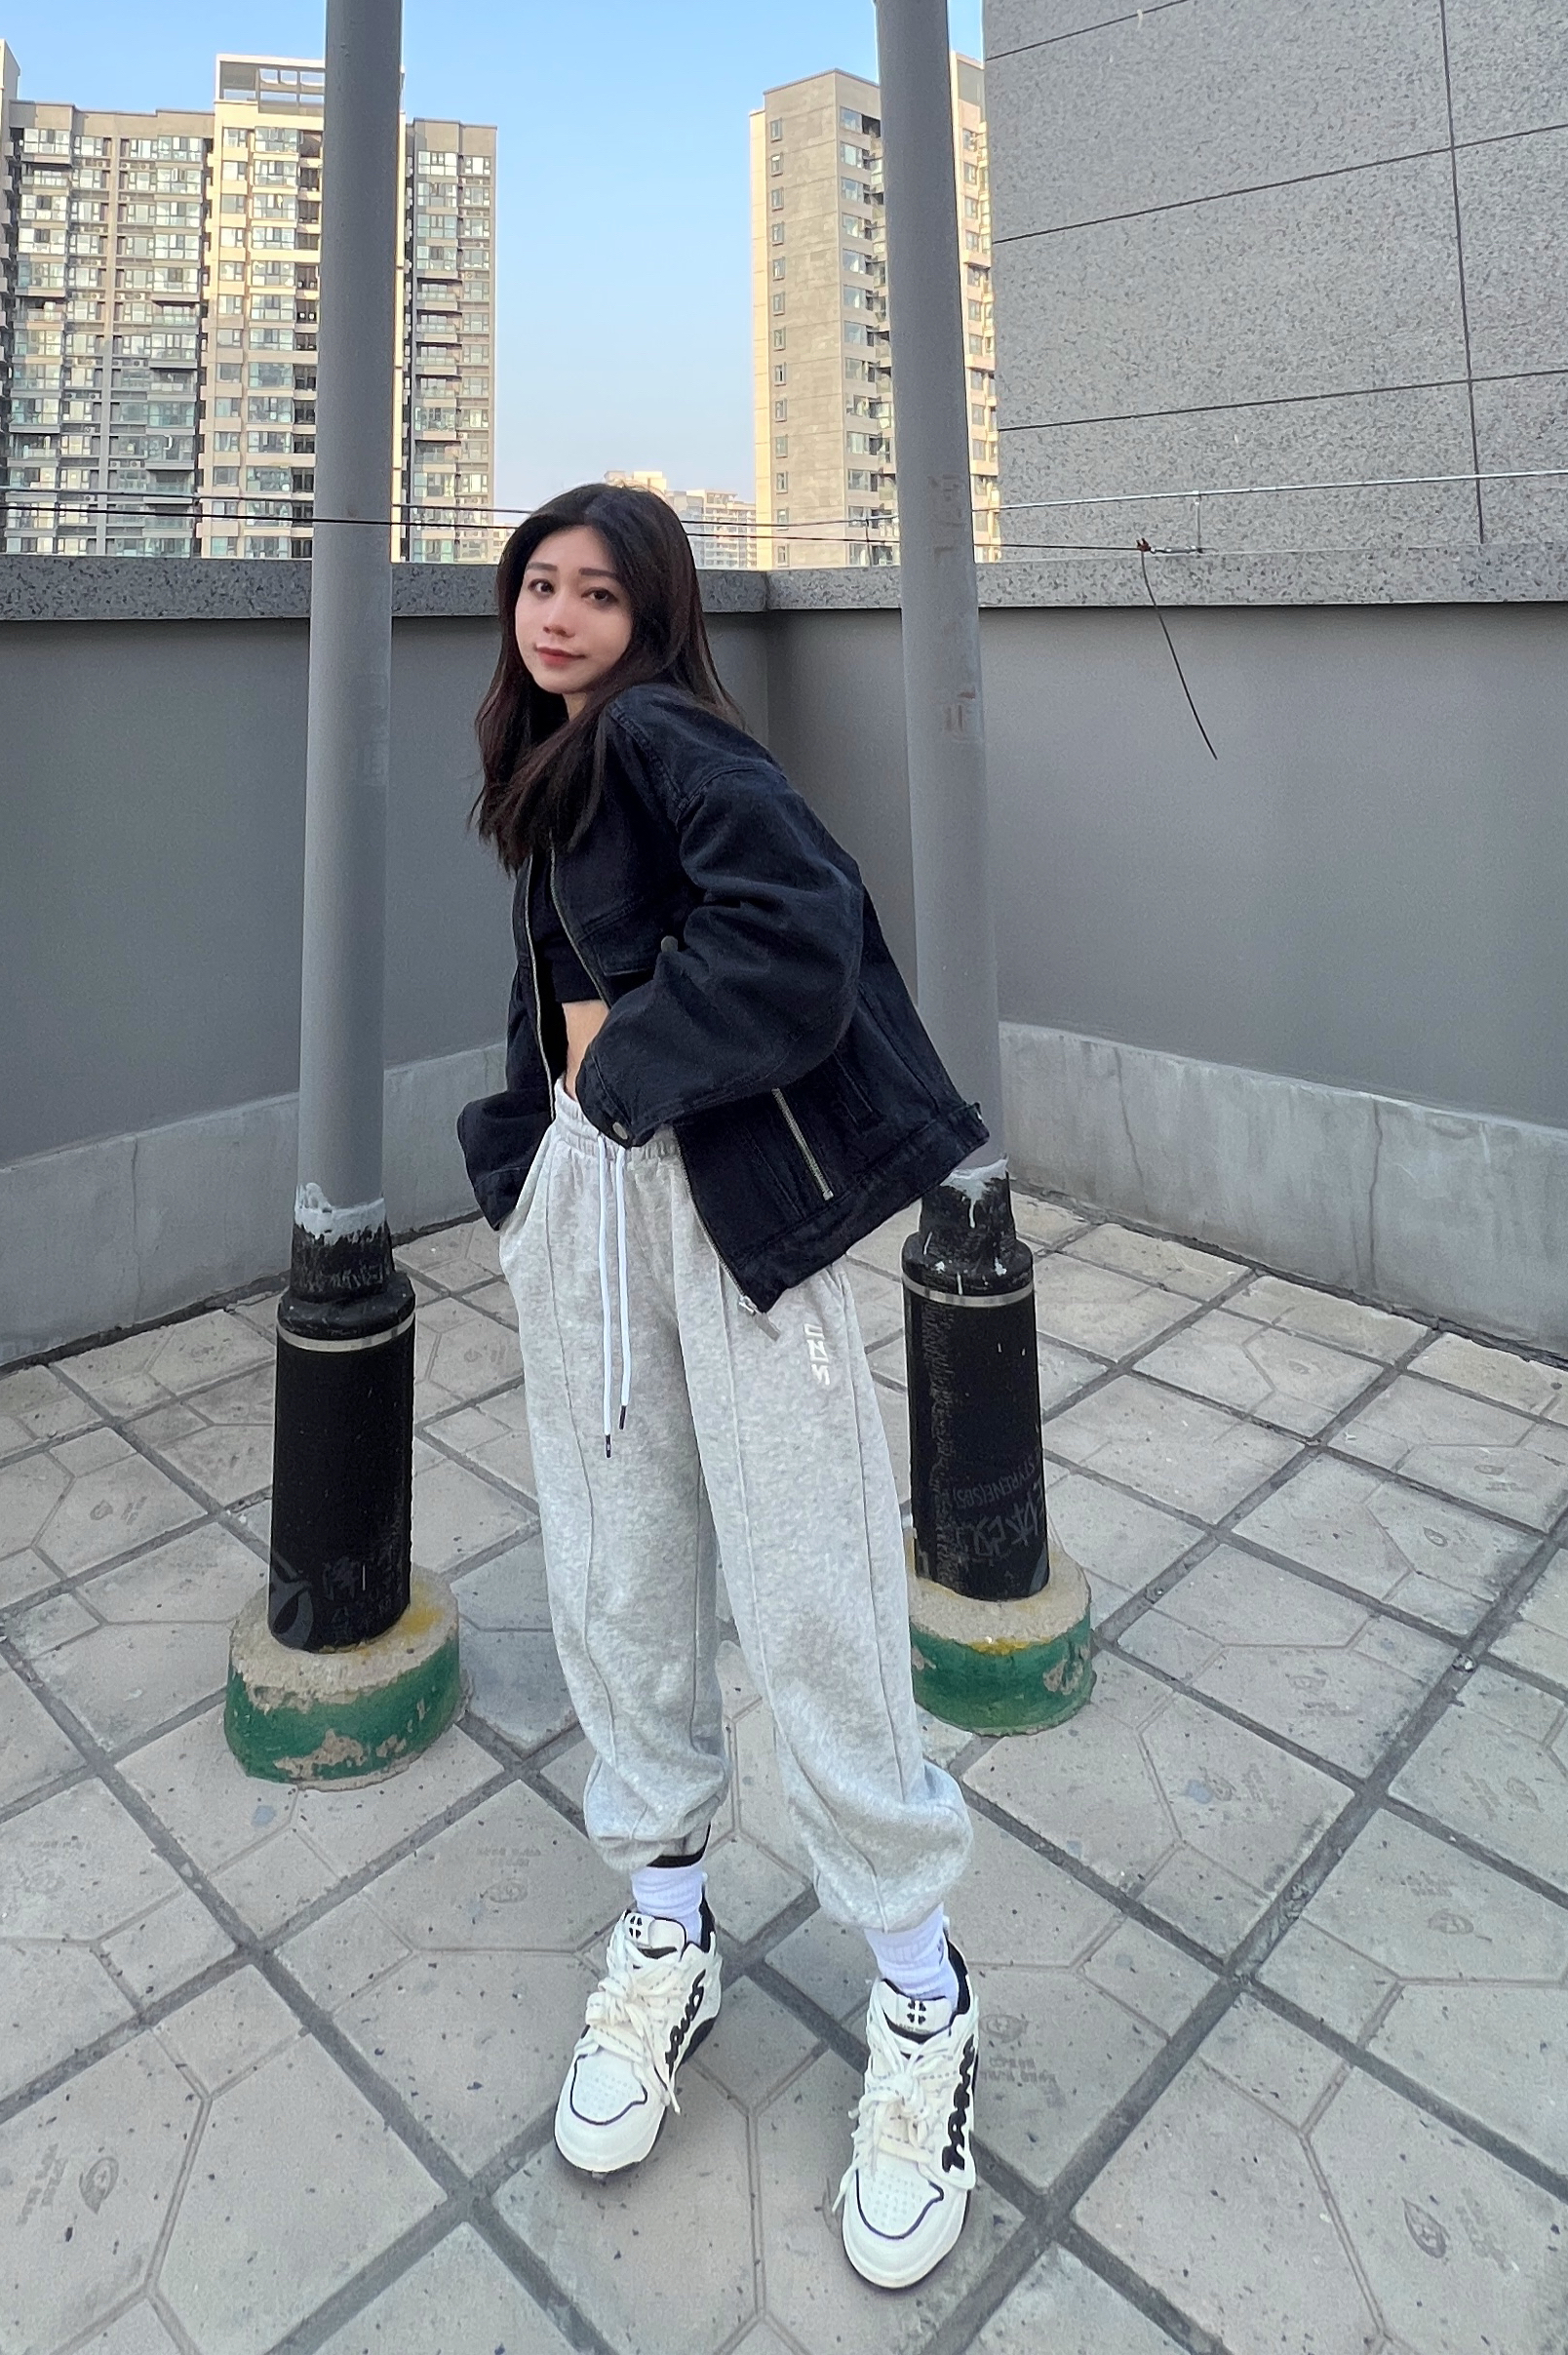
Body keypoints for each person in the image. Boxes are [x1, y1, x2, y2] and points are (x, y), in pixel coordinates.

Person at [458, 481, 988, 2291]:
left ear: (655, 618)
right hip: (593, 1215)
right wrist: (531, 1154)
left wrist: (620, 1082)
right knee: (619, 1576)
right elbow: (556, 993)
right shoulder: (553, 763)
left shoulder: (662, 737)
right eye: (539, 583)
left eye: (598, 593)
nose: (558, 613)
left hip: (722, 1209)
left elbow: (800, 923)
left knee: (809, 1582)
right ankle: (665, 1931)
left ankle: (918, 1990)